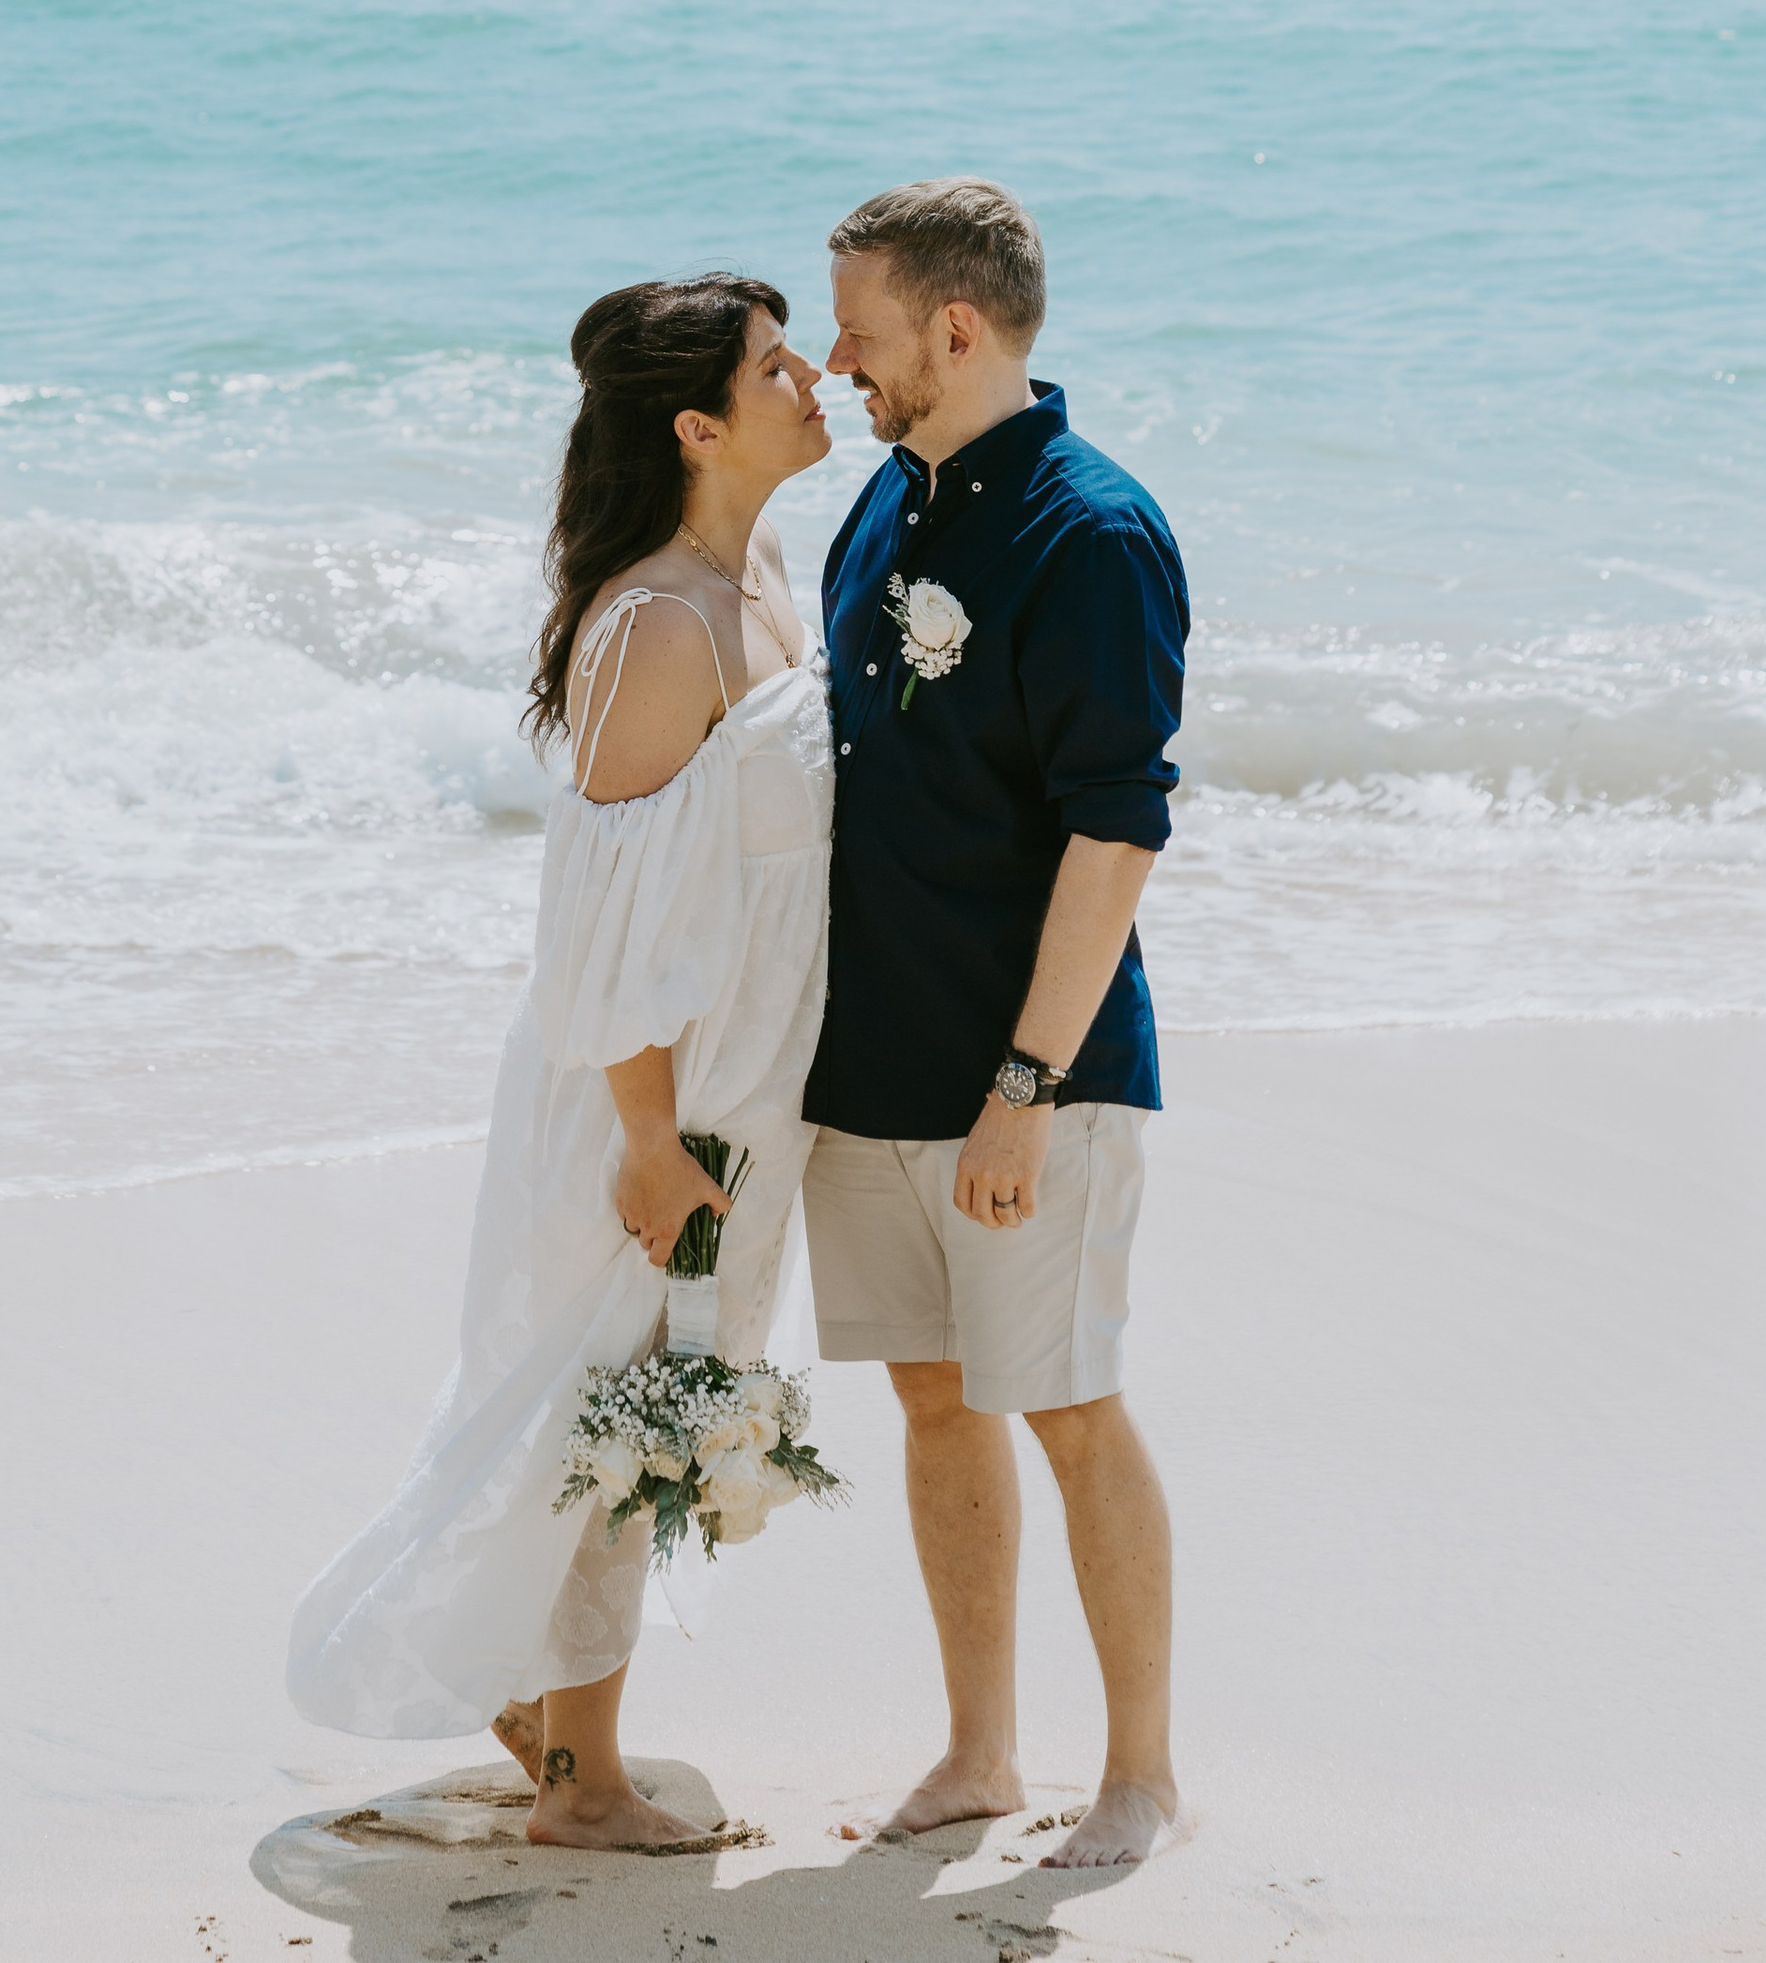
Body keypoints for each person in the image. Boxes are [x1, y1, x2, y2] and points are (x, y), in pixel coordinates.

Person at [286, 275, 835, 1850]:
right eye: (772, 365)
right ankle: (583, 1782)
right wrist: (649, 1137)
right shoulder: (661, 626)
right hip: (648, 1087)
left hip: (741, 1069)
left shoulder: (760, 573)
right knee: (614, 1393)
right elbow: (598, 923)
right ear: (696, 428)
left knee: (649, 1382)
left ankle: (549, 1713)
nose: (810, 376)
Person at [802, 176, 1187, 1868]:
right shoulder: (887, 498)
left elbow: (1117, 832)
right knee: (934, 1400)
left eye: (862, 332)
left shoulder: (1093, 535)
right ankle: (978, 1755)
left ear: (955, 330)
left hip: (1034, 1075)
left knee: (1070, 1404)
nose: (838, 362)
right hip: (871, 1059)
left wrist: (1026, 1086)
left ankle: (1143, 1778)